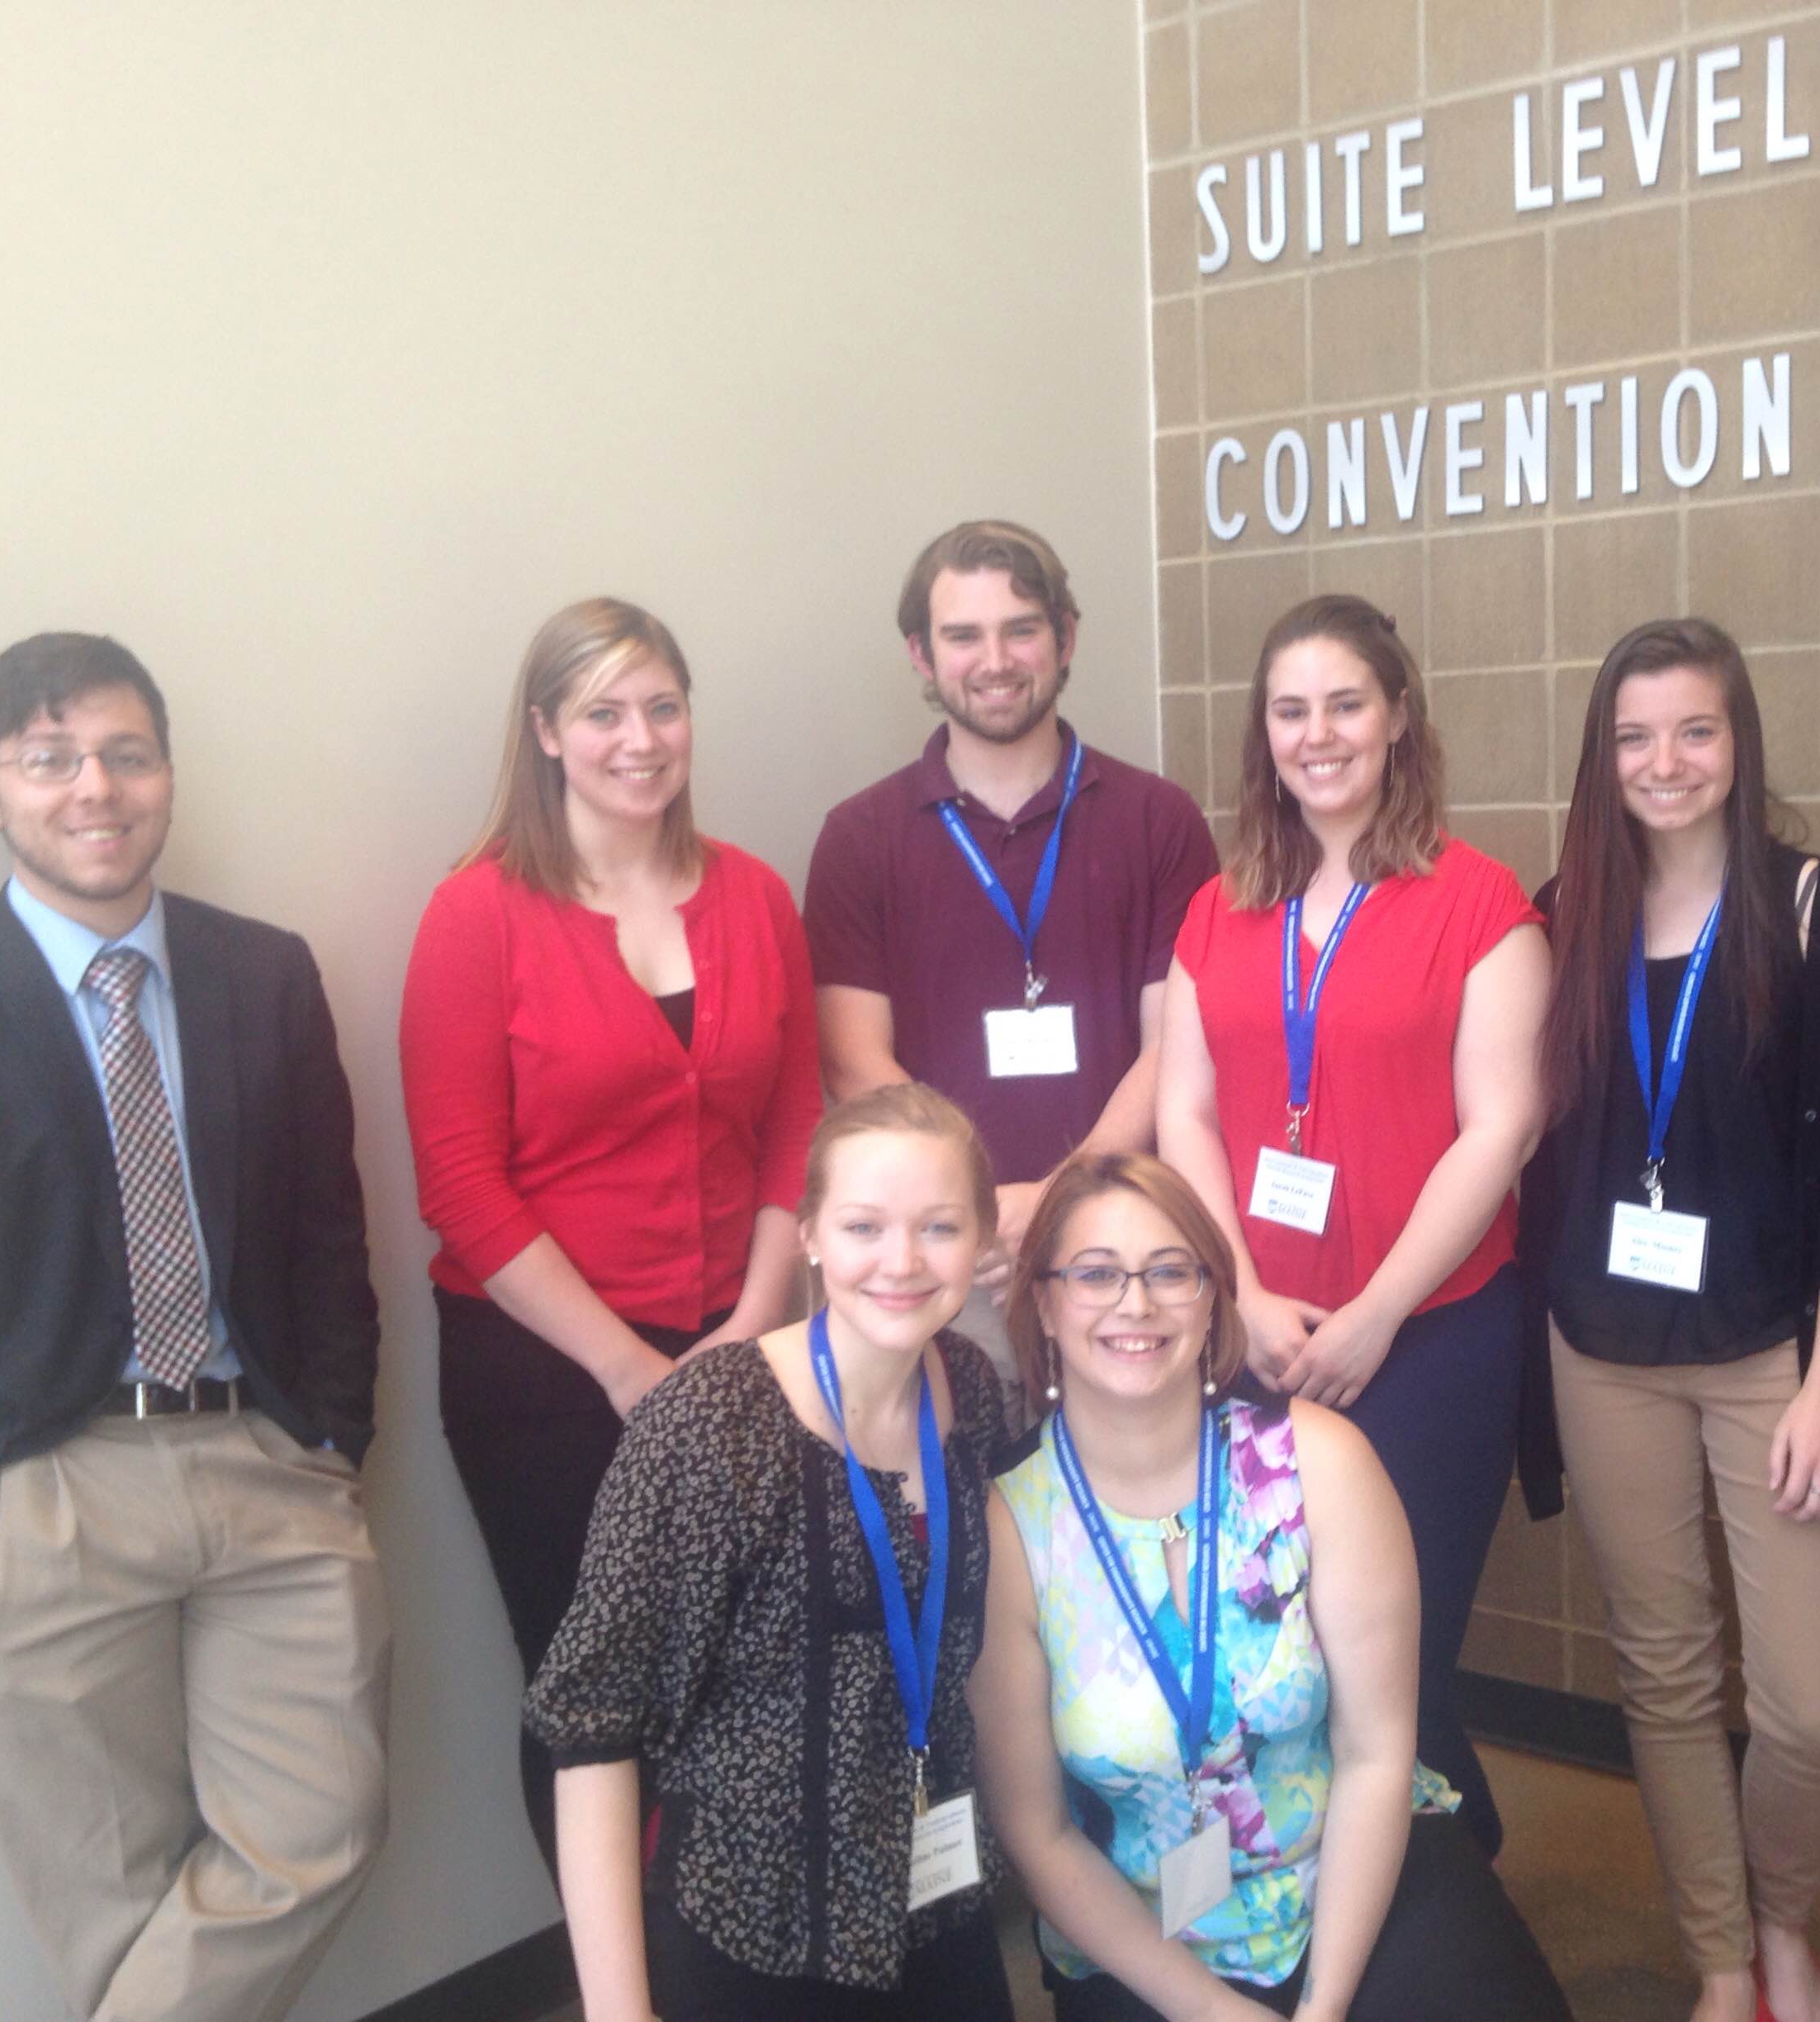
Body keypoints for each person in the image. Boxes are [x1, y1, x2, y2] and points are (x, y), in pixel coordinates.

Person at [0, 634, 388, 2022]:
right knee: (109, 1896)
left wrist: (333, 1438)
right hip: (32, 1494)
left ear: (165, 773)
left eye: (124, 752)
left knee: (321, 1827)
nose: (94, 788)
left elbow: (325, 1232)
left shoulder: (265, 972)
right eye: (50, 759)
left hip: (262, 1460)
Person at [400, 597, 819, 1865]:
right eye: (602, 712)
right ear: (545, 734)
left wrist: (753, 1327)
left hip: (740, 1346)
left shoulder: (752, 895)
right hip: (542, 1373)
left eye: (663, 707)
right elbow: (461, 1184)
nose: (639, 739)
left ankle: (721, 1968)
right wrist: (629, 1371)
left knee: (745, 1669)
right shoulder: (478, 914)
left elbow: (798, 1124)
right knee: (591, 1690)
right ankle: (620, 1982)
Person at [1519, 619, 1820, 2022]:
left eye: (1692, 730)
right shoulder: (1557, 913)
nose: (1662, 761)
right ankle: (1723, 1954)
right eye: (1631, 736)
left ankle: (1786, 1915)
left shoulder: (1811, 911)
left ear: (1736, 743)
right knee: (1662, 1670)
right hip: (1598, 1350)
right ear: (1598, 755)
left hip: (1770, 1358)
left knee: (1807, 1702)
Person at [973, 1151, 1574, 2022]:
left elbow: (1375, 1753)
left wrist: (1323, 2009)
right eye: (1096, 1274)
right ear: (1043, 1304)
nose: (1134, 1303)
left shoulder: (1320, 1462)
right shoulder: (1010, 1531)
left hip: (1353, 1865)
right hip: (1145, 1930)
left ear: (1215, 1297)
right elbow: (1040, 1836)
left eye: (1170, 1272)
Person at [1157, 593, 1549, 1859]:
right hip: (1257, 1343)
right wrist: (1243, 1301)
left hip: (1429, 1340)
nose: (1317, 734)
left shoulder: (1480, 903)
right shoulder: (1219, 911)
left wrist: (1376, 1312)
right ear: (1262, 733)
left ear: (1395, 719)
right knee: (1278, 1651)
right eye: (1290, 710)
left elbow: (1504, 1130)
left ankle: (1434, 1903)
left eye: (1344, 704)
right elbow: (1187, 1115)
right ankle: (1305, 1901)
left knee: (1399, 1646)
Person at [525, 1084, 1017, 2022]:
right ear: (811, 1234)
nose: (902, 1263)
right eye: (865, 1226)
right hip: (751, 1932)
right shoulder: (711, 1423)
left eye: (941, 1228)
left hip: (937, 1897)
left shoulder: (974, 1396)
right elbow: (592, 1726)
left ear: (984, 1235)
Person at [806, 519, 1220, 1384]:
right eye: (963, 636)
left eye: (1021, 628)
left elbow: (1174, 1044)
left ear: (1065, 638)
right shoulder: (859, 837)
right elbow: (851, 1059)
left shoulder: (1158, 821)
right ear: (922, 654)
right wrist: (973, 1209)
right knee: (948, 1507)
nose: (995, 659)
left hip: (1117, 1249)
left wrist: (1064, 1195)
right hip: (942, 1260)